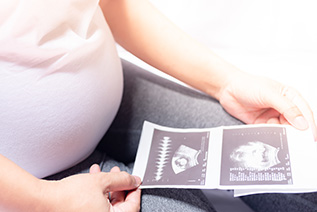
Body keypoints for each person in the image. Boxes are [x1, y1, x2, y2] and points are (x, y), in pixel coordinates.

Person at [1, 0, 317, 211]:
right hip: (32, 178)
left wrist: (226, 83)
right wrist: (44, 200)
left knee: (295, 167)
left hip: (117, 98)